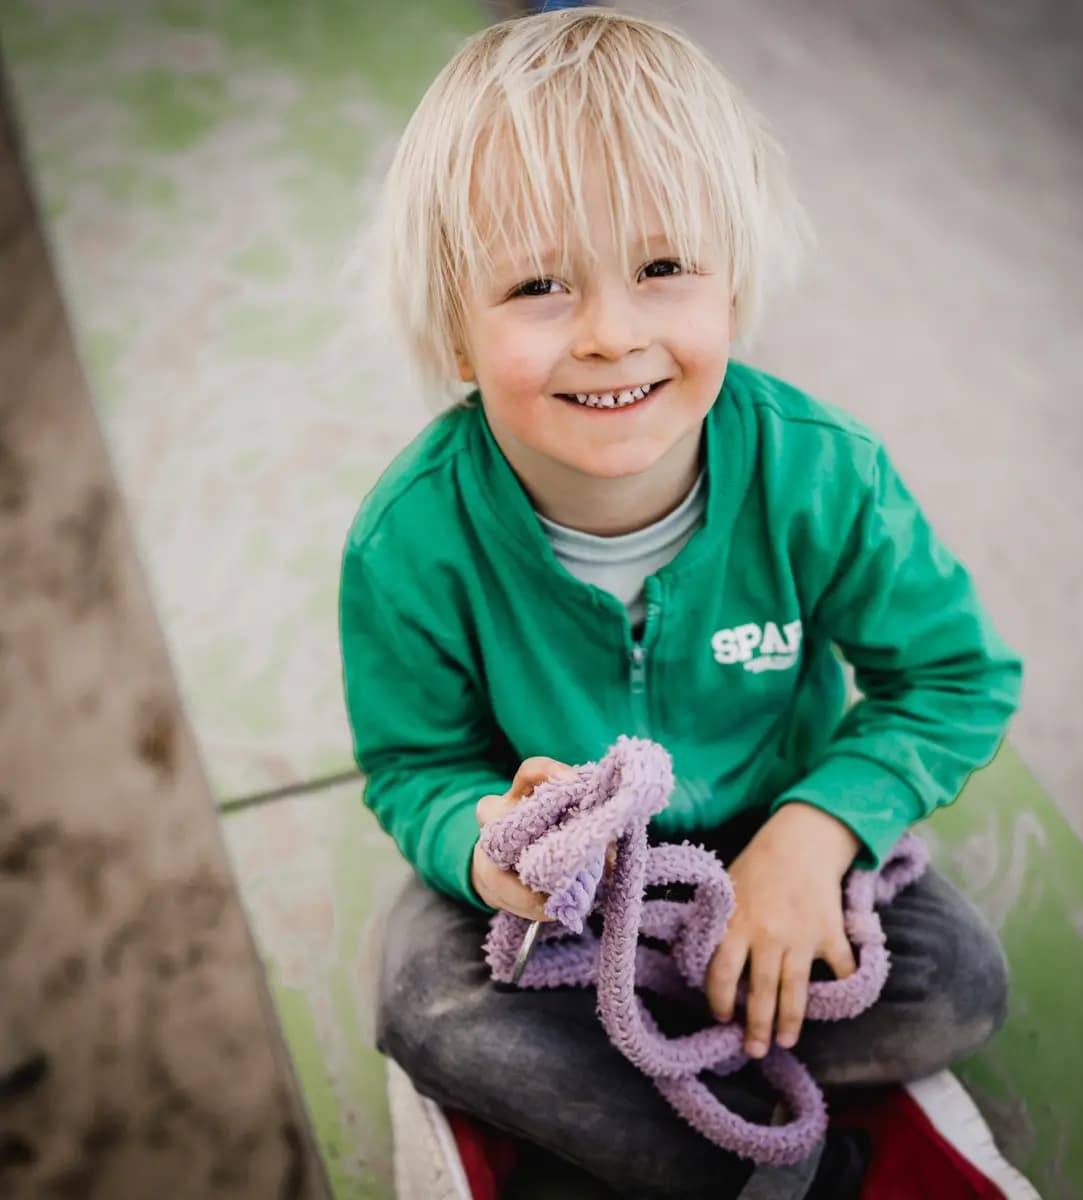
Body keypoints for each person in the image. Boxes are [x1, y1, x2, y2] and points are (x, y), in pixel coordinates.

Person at [340, 9, 1022, 1198]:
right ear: (456, 323)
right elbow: (413, 766)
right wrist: (488, 849)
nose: (612, 333)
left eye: (661, 269)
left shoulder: (822, 473)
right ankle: (763, 1169)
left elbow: (957, 678)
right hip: (560, 896)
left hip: (770, 845)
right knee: (418, 1002)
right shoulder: (411, 540)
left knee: (958, 981)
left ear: (733, 286)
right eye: (539, 285)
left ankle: (614, 1099)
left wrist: (817, 833)